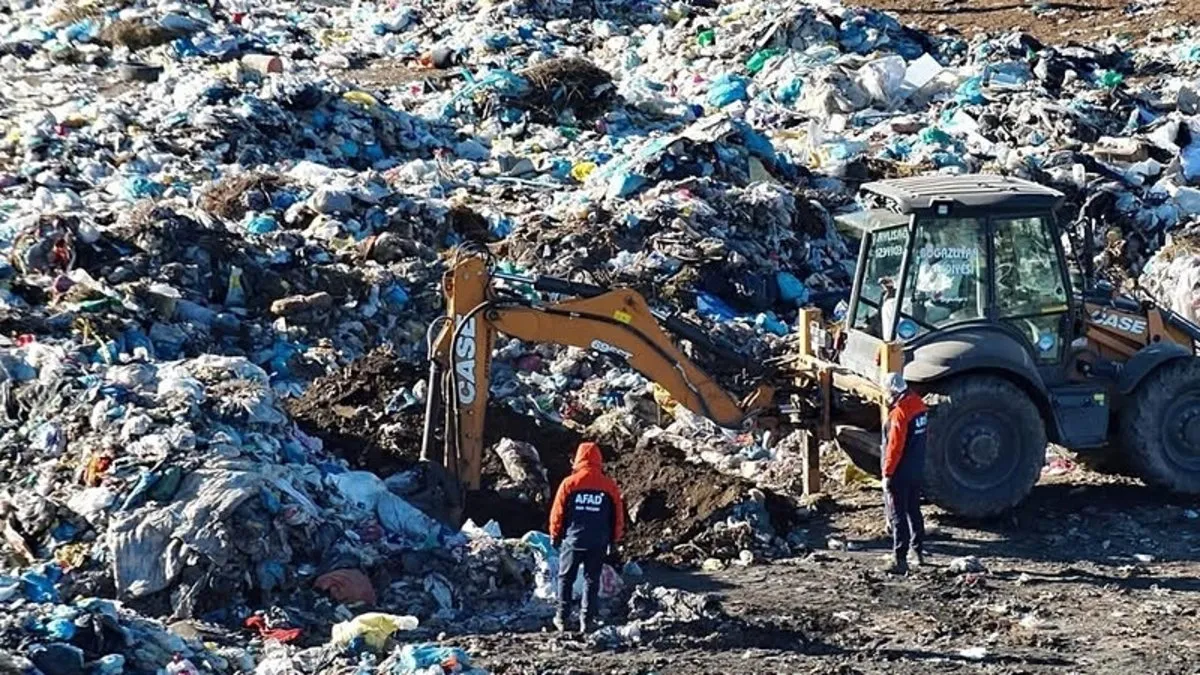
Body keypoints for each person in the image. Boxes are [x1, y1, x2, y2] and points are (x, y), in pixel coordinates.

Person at [549, 441, 626, 632]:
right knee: (592, 580)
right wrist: (615, 539)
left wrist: (554, 534)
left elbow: (557, 512)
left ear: (578, 459)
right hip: (598, 542)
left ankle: (562, 617)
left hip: (573, 540)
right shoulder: (608, 485)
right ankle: (587, 620)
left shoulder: (569, 483)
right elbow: (618, 515)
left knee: (566, 578)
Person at [880, 373, 928, 574]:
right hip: (916, 468)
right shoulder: (919, 405)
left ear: (892, 391)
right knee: (914, 510)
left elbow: (894, 446)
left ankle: (899, 559)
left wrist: (888, 473)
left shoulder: (900, 413)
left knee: (898, 514)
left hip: (900, 471)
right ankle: (917, 551)